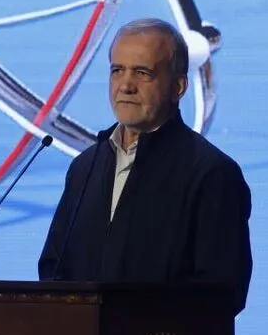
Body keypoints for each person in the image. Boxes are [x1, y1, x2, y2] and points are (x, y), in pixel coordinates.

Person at [37, 18, 253, 315]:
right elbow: (54, 270)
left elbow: (222, 291)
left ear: (178, 86)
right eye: (117, 70)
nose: (125, 86)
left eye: (142, 73)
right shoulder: (84, 168)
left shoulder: (212, 173)